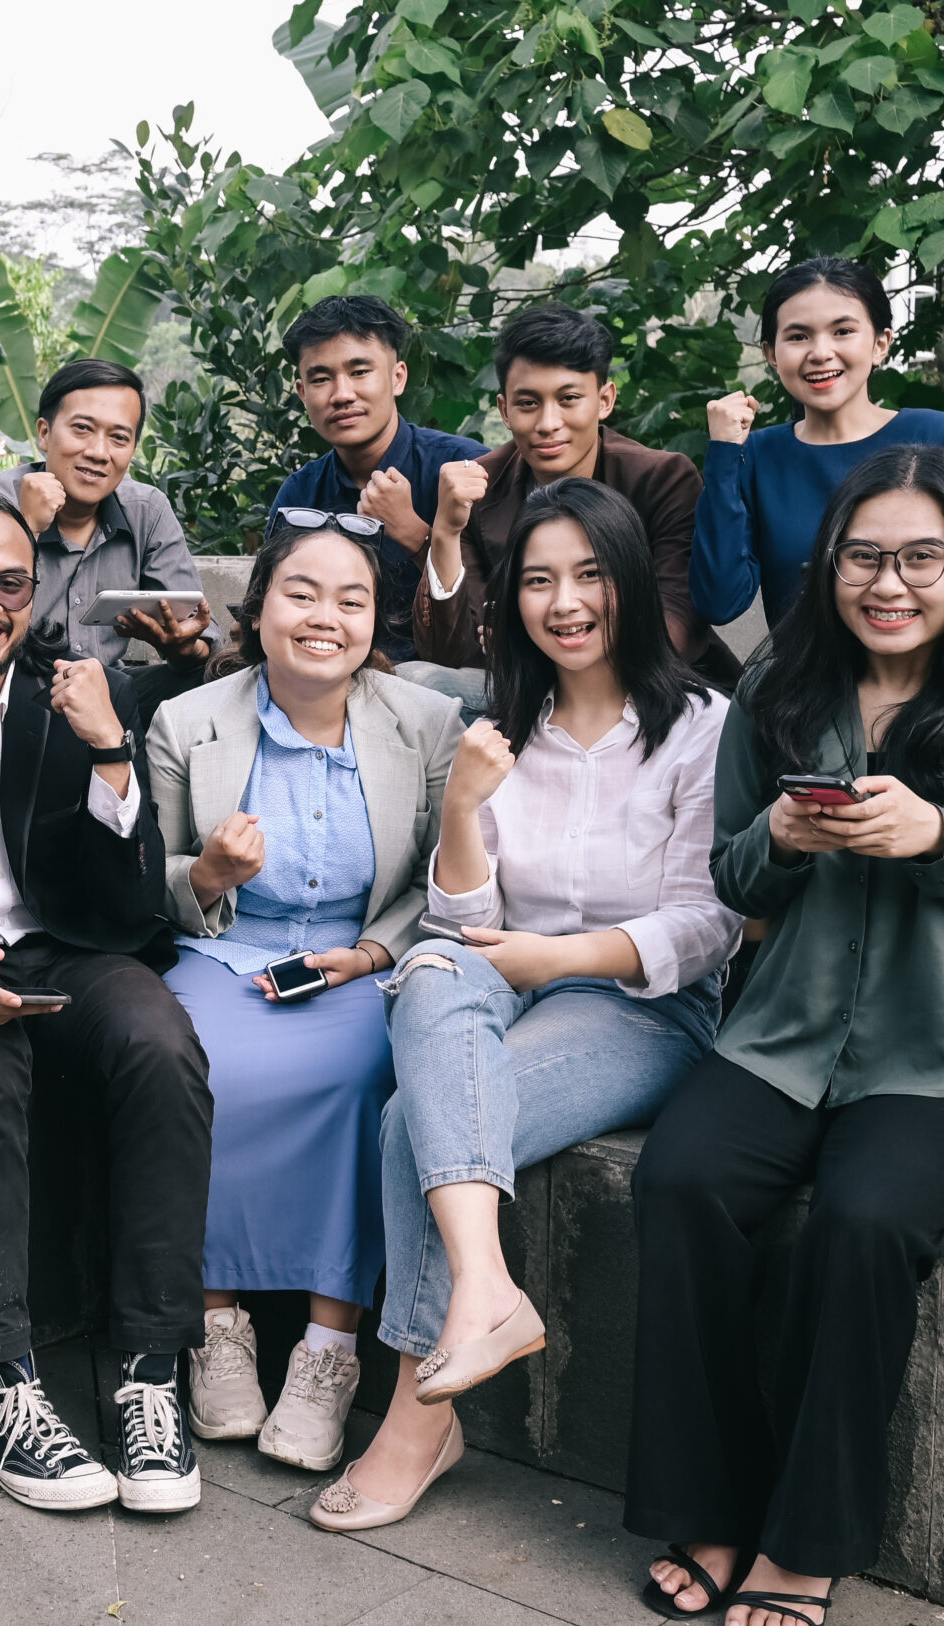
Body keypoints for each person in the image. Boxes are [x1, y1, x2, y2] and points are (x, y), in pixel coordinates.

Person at [629, 444, 944, 1626]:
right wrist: (783, 838)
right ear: (827, 565)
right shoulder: (779, 684)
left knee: (864, 1218)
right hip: (781, 1038)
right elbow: (733, 876)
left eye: (921, 558)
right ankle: (708, 1505)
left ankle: (806, 1536)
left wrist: (940, 835)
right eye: (863, 557)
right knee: (679, 1181)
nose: (889, 583)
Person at [311, 479, 738, 1533]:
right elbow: (463, 919)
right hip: (500, 971)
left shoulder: (701, 727)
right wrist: (462, 803)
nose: (566, 602)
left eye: (590, 575)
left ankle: (417, 1419)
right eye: (540, 580)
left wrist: (558, 956)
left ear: (628, 580)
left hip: (643, 1001)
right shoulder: (500, 726)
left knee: (411, 1120)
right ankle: (486, 1288)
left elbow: (705, 924)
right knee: (433, 968)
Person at [0, 487, 214, 1514]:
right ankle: (2, 1383)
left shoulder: (81, 695)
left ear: (34, 595)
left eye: (9, 583)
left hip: (68, 951)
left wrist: (110, 751)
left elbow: (129, 900)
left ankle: (150, 1369)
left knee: (160, 1040)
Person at [149, 518, 458, 1471]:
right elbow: (149, 875)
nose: (326, 616)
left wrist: (370, 953)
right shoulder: (188, 722)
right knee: (192, 1064)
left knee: (362, 1077)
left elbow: (443, 875)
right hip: (223, 950)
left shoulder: (425, 722)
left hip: (360, 959)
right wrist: (207, 873)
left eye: (351, 600)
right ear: (258, 609)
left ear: (375, 621)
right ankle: (216, 1325)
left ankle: (329, 1349)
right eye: (302, 593)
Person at [417, 304, 731, 706]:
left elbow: (677, 626)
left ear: (604, 400)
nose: (548, 423)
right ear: (504, 410)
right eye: (528, 403)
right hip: (529, 696)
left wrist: (531, 649)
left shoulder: (661, 479)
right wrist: (444, 532)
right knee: (421, 682)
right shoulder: (479, 487)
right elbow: (450, 652)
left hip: (658, 689)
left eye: (568, 399)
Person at [690, 258, 944, 632]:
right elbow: (719, 602)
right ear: (771, 354)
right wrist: (724, 454)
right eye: (798, 336)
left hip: (935, 667)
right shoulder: (753, 457)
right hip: (804, 670)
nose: (820, 352)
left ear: (880, 344)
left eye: (843, 331)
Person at [0, 358, 218, 708]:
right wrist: (27, 527)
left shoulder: (147, 510)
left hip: (108, 691)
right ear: (44, 433)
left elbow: (201, 635)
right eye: (82, 429)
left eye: (119, 438)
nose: (99, 453)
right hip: (6, 689)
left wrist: (184, 647)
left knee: (217, 677)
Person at [267, 295, 489, 663]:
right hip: (329, 671)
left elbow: (494, 612)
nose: (342, 395)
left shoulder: (465, 468)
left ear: (397, 377)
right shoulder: (300, 494)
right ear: (302, 393)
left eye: (359, 372)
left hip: (444, 678)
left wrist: (414, 533)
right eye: (321, 379)